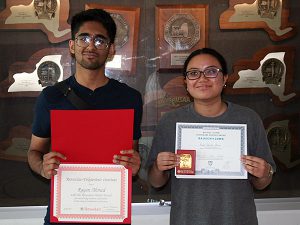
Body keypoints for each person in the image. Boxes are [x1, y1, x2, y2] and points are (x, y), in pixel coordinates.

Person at [27, 9, 143, 225]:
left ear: (110, 50)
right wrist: (42, 166)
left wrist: (135, 163)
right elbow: (34, 151)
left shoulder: (130, 98)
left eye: (100, 40)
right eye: (84, 38)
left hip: (111, 210)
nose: (91, 46)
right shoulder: (51, 97)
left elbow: (130, 154)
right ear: (72, 46)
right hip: (64, 210)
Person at [147, 48, 276, 225]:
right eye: (194, 73)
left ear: (224, 78)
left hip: (238, 219)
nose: (202, 78)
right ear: (186, 81)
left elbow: (262, 183)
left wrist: (264, 173)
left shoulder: (248, 119)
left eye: (211, 71)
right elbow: (156, 182)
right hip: (186, 220)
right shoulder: (170, 122)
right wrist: (158, 167)